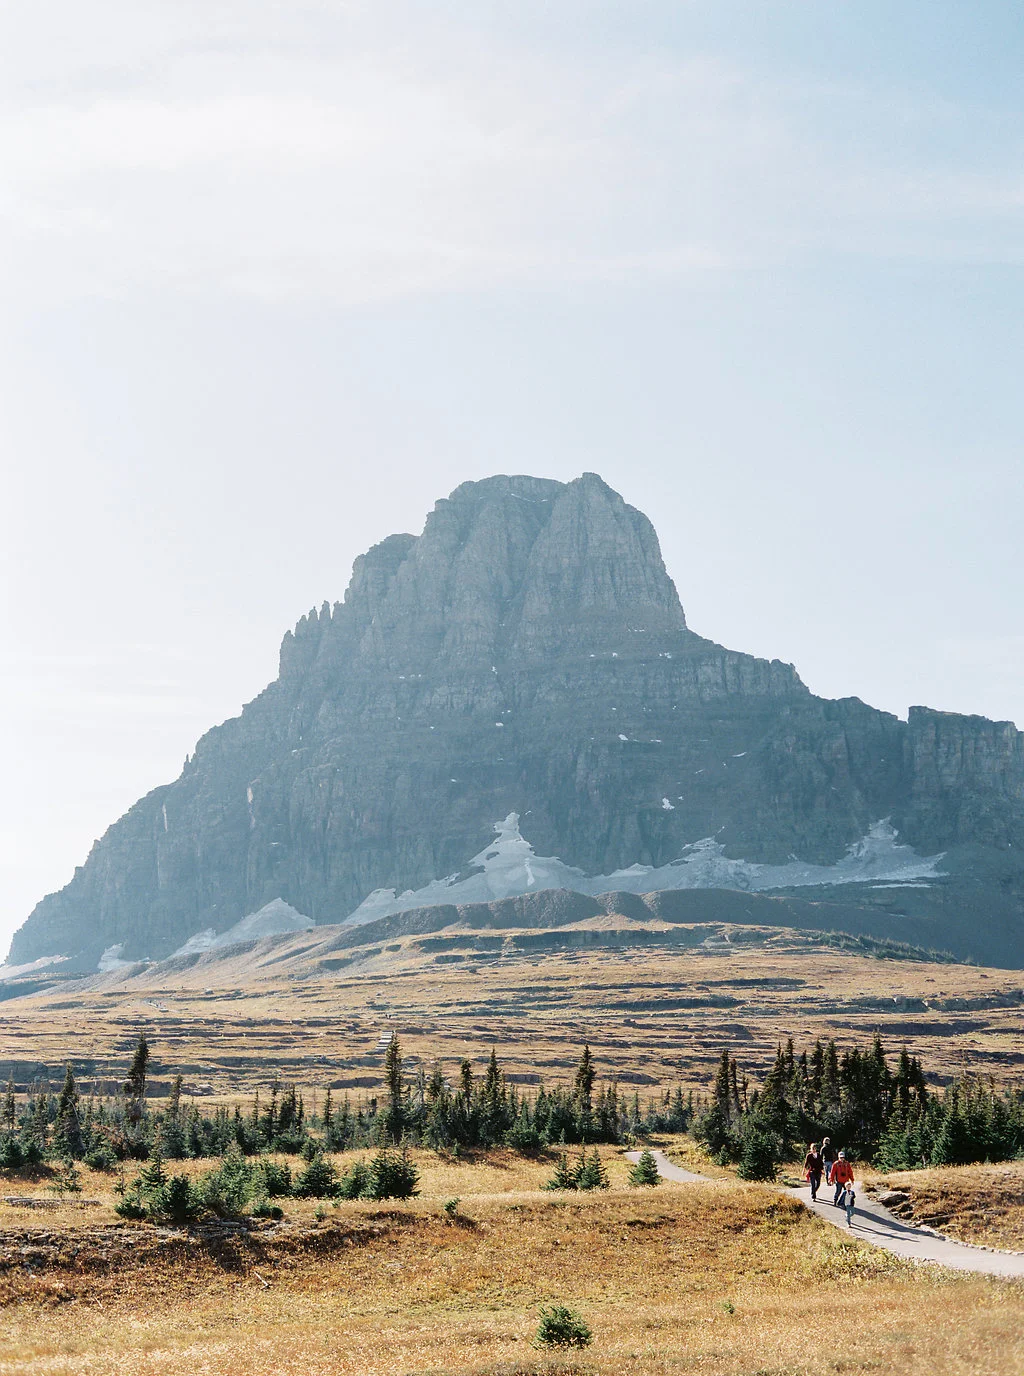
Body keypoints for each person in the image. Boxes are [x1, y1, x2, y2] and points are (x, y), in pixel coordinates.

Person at [831, 1150, 855, 1219]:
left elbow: (850, 1172)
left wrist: (852, 1179)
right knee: (838, 1192)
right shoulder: (836, 1164)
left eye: (843, 1157)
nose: (842, 1159)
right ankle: (835, 1200)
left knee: (847, 1193)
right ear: (838, 1157)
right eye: (840, 1157)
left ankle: (845, 1204)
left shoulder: (847, 1164)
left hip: (846, 1181)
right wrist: (832, 1180)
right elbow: (832, 1172)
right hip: (839, 1181)